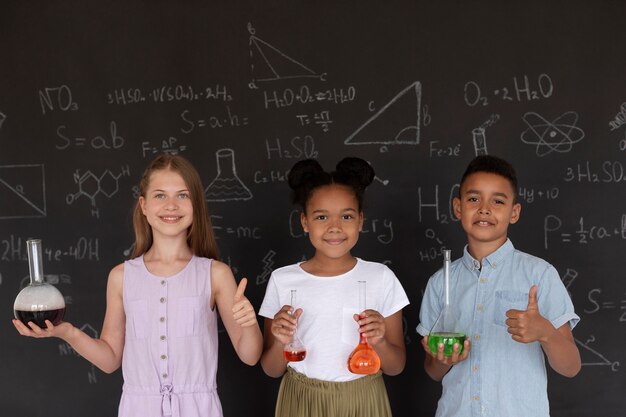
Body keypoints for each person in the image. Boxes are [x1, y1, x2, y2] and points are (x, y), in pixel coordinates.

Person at [13, 154, 263, 417]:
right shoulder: (122, 277)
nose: (171, 205)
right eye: (160, 195)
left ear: (196, 205)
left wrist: (249, 323)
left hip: (199, 410)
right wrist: (67, 332)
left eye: (182, 195)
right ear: (143, 205)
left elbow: (250, 355)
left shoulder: (215, 274)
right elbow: (110, 360)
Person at [416, 155, 581, 417]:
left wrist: (546, 332)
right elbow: (432, 371)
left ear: (514, 212)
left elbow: (571, 367)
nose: (484, 208)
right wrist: (441, 358)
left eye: (498, 201)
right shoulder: (441, 282)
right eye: (473, 199)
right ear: (458, 208)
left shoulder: (539, 275)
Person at [259, 157, 410, 417]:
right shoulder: (282, 280)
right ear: (305, 222)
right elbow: (271, 369)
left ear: (361, 220)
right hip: (301, 401)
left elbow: (396, 366)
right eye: (321, 217)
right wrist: (280, 343)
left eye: (346, 216)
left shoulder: (381, 277)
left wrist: (380, 341)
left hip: (364, 399)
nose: (335, 227)